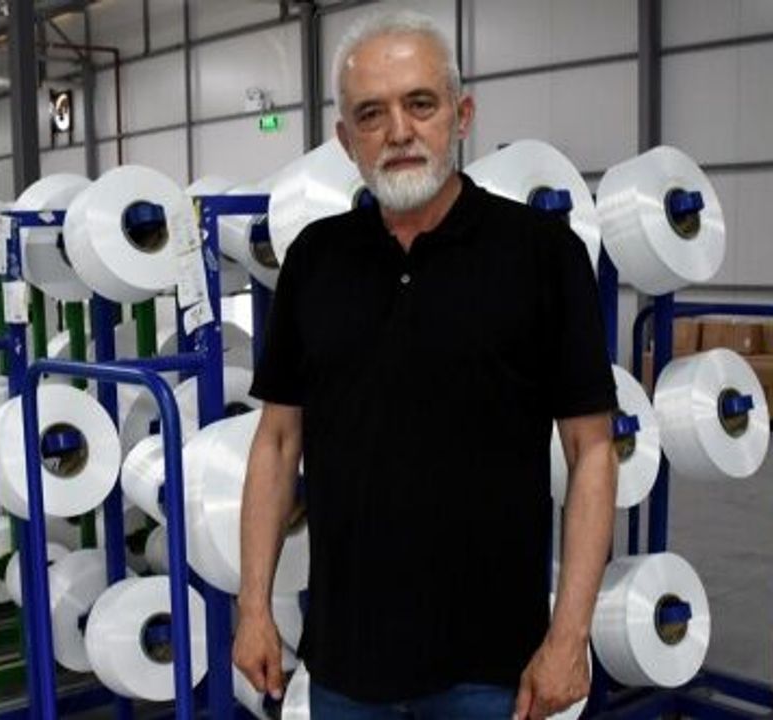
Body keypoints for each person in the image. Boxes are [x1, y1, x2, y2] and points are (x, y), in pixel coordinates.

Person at [233, 9, 618, 719]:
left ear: (461, 115)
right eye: (371, 114)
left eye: (420, 104)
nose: (399, 131)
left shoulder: (542, 256)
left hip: (493, 669)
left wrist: (570, 636)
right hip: (347, 664)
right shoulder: (315, 260)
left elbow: (591, 451)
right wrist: (252, 605)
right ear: (346, 141)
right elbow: (278, 440)